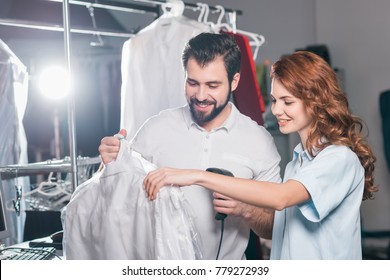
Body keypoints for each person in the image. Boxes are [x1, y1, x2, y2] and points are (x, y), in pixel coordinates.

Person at [143, 51, 378, 260]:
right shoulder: (297, 163)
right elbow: (278, 231)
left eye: (288, 101)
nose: (276, 110)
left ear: (316, 102)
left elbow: (281, 197)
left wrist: (196, 176)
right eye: (275, 100)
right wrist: (244, 209)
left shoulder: (339, 159)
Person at [98, 32, 282, 260]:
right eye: (193, 83)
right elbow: (118, 198)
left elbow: (275, 227)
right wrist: (108, 164)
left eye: (213, 85)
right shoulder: (155, 129)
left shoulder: (259, 141)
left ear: (234, 81)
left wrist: (245, 209)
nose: (201, 95)